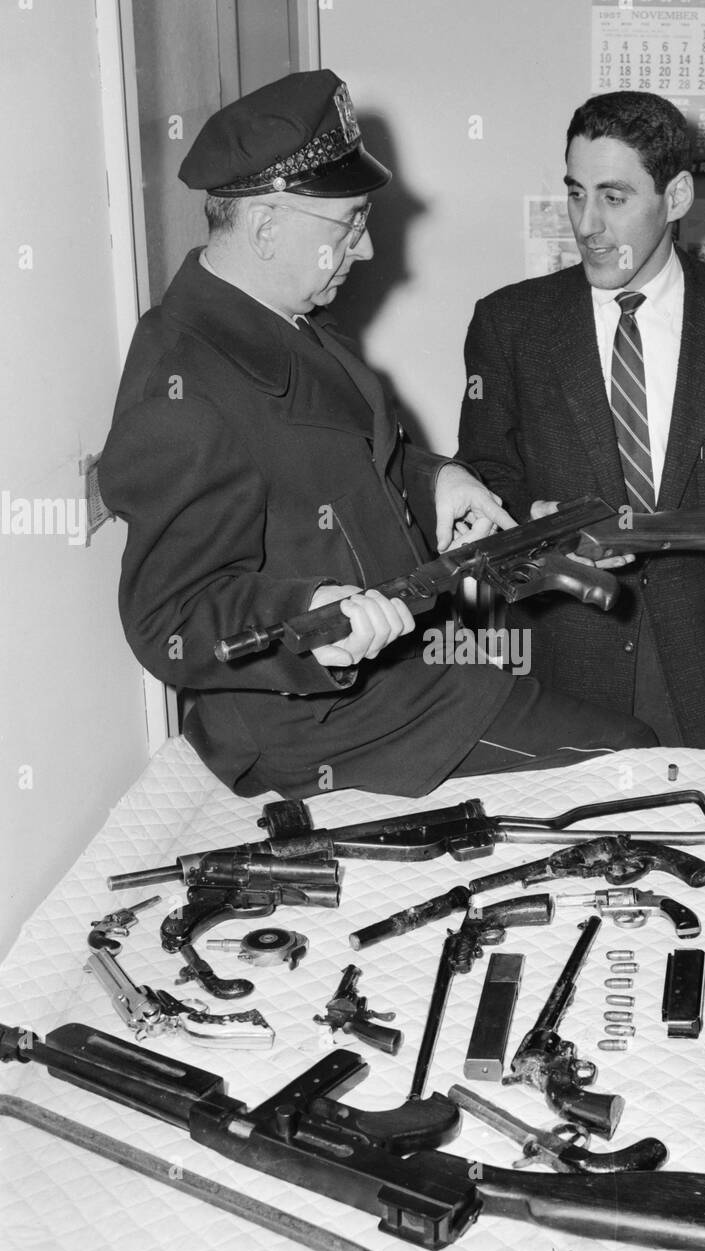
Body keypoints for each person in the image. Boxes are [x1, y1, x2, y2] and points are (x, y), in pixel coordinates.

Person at [98, 71, 661, 801]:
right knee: (634, 761)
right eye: (349, 225)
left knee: (631, 746)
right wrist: (305, 612)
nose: (363, 252)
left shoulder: (283, 323)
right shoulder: (184, 387)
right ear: (268, 227)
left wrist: (436, 483)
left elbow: (341, 458)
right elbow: (165, 618)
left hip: (407, 674)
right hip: (325, 720)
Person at [458, 91, 705, 765]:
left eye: (614, 197)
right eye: (575, 194)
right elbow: (482, 481)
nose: (587, 224)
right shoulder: (508, 325)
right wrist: (531, 525)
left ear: (676, 195)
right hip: (560, 670)